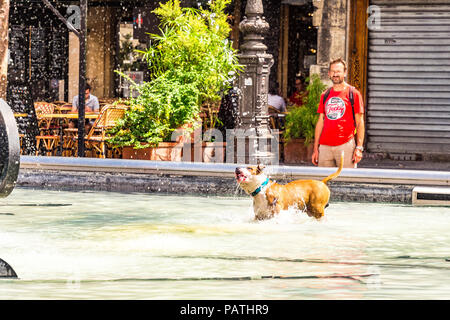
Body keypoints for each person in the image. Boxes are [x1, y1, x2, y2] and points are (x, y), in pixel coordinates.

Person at [311, 58, 365, 168]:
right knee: (324, 183)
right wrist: (316, 148)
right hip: (325, 147)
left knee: (347, 182)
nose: (335, 74)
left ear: (345, 73)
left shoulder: (353, 93)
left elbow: (360, 123)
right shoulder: (325, 94)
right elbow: (320, 122)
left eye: (338, 71)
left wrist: (359, 148)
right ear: (329, 74)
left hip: (345, 145)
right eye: (333, 71)